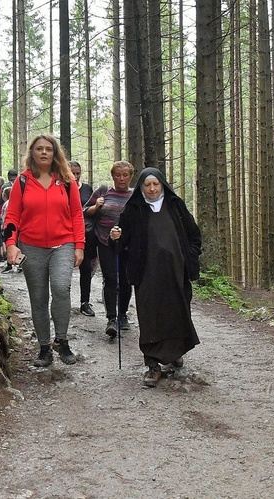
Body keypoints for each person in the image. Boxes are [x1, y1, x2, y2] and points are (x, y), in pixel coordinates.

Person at [109, 167, 202, 388]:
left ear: (162, 185)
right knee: (150, 316)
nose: (152, 189)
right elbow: (121, 244)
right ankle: (152, 364)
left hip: (175, 272)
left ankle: (174, 352)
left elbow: (193, 234)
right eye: (147, 185)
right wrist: (115, 237)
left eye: (155, 184)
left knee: (177, 311)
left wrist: (189, 255)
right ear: (141, 187)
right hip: (146, 273)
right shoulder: (133, 209)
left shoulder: (175, 205)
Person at [3, 134, 85, 367]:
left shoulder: (67, 180)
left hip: (63, 245)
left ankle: (62, 340)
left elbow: (77, 215)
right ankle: (45, 347)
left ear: (55, 152)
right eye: (39, 149)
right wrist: (11, 243)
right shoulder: (23, 181)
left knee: (61, 288)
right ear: (32, 153)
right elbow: (12, 216)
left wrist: (79, 245)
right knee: (38, 298)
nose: (44, 153)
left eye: (48, 149)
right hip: (31, 246)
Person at [83, 160, 134, 337]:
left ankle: (123, 315)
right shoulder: (103, 191)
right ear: (112, 176)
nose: (121, 178)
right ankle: (111, 318)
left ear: (130, 177)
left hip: (128, 246)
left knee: (127, 280)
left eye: (125, 175)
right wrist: (97, 206)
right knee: (111, 279)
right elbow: (84, 211)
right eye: (118, 175)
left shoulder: (136, 195)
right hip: (104, 242)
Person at [70, 161, 96, 317]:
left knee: (86, 267)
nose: (75, 176)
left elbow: (92, 208)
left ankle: (84, 302)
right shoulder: (61, 188)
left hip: (87, 233)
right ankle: (62, 302)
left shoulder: (87, 189)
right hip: (66, 234)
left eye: (78, 173)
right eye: (72, 172)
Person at [0, 186, 15, 273]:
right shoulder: (14, 202)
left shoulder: (6, 204)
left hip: (7, 227)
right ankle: (20, 264)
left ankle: (9, 264)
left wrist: (2, 227)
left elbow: (3, 216)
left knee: (8, 244)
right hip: (15, 227)